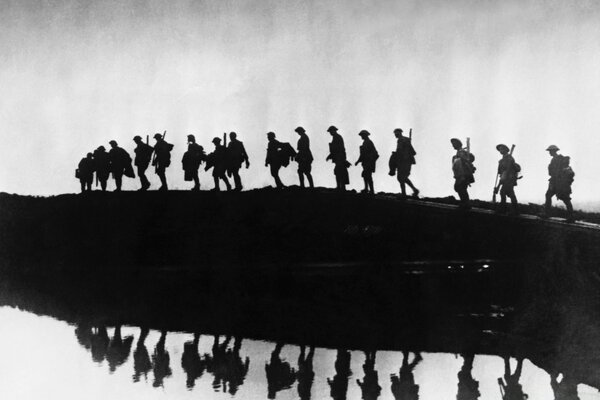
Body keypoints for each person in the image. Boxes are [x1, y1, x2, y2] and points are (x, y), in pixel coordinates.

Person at [542, 145, 575, 222]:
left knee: (565, 198)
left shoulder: (556, 160)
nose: (549, 152)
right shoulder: (557, 159)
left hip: (558, 183)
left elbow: (553, 173)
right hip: (557, 182)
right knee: (550, 195)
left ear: (554, 151)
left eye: (550, 151)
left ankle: (570, 217)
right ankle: (570, 216)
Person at [389, 128, 419, 198]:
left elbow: (400, 151)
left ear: (399, 133)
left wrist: (395, 157)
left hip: (403, 162)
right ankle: (414, 190)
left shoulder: (401, 140)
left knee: (401, 178)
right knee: (403, 178)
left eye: (396, 133)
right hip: (407, 161)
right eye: (395, 134)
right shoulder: (405, 139)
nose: (395, 135)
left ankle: (404, 194)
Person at [451, 138, 475, 210]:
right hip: (460, 174)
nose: (453, 146)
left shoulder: (461, 152)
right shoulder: (459, 152)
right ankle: (465, 203)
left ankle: (466, 204)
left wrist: (464, 175)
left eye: (454, 144)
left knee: (460, 188)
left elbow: (465, 162)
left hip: (463, 174)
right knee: (459, 188)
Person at [494, 144, 519, 215]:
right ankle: (513, 209)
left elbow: (510, 170)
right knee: (509, 193)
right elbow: (501, 171)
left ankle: (507, 209)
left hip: (509, 179)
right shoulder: (502, 160)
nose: (500, 151)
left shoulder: (510, 158)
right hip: (504, 178)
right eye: (500, 149)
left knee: (504, 192)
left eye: (502, 149)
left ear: (506, 150)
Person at [326, 126, 350, 191]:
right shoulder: (336, 137)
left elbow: (337, 149)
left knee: (340, 172)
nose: (330, 133)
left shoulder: (337, 137)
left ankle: (341, 187)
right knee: (338, 172)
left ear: (334, 130)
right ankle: (340, 186)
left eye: (331, 131)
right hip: (339, 157)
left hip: (340, 157)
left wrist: (330, 155)